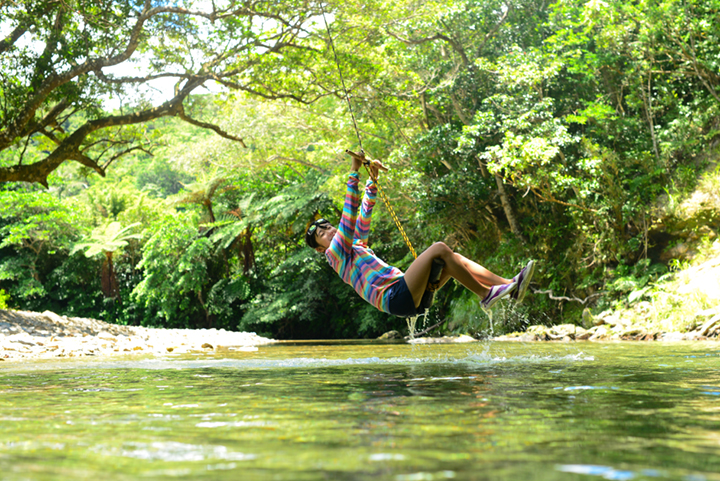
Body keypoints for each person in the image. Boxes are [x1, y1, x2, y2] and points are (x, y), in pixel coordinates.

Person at [305, 153, 535, 318]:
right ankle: (486, 295)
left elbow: (364, 212)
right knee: (439, 248)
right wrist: (353, 171)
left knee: (453, 258)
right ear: (320, 249)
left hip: (405, 293)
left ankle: (510, 288)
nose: (329, 231)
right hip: (395, 297)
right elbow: (349, 215)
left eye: (327, 226)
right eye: (322, 234)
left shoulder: (355, 245)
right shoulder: (334, 254)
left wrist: (372, 181)